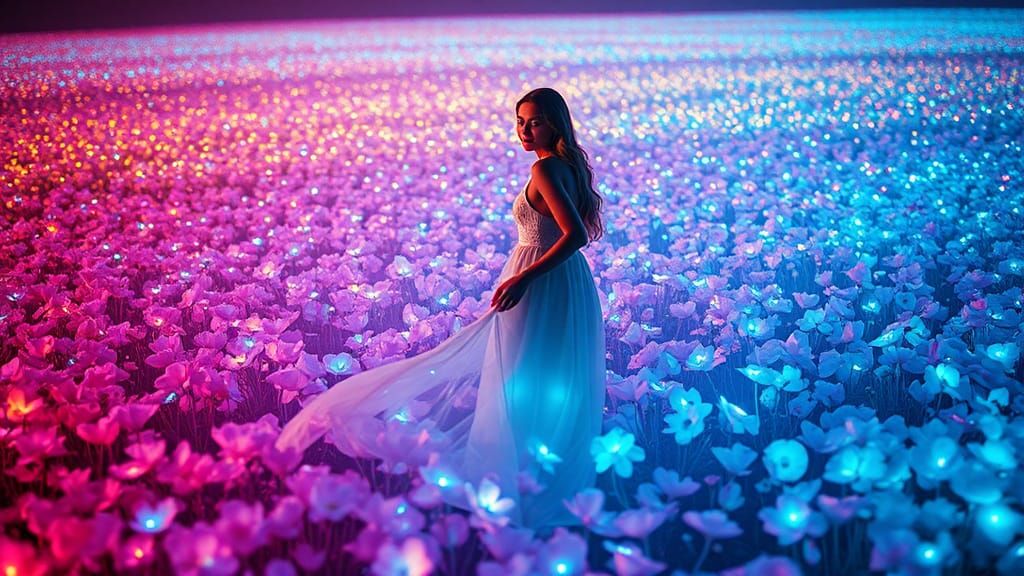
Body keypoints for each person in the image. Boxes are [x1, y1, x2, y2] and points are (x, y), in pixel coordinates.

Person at [275, 87, 606, 532]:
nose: (525, 131)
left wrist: (524, 278)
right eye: (520, 121)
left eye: (535, 122)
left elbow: (575, 235)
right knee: (546, 376)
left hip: (540, 280)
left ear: (555, 124)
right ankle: (537, 481)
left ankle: (512, 482)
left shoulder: (545, 169)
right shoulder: (568, 167)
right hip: (565, 281)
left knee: (517, 374)